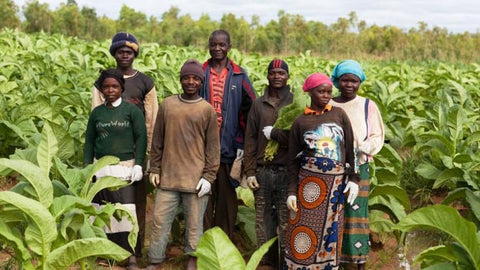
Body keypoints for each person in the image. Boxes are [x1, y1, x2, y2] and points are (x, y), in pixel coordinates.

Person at [146, 60, 220, 270]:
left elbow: (213, 148)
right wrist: (155, 168)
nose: (190, 81)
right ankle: (155, 260)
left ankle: (193, 260)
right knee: (159, 222)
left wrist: (208, 177)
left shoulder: (206, 110)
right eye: (186, 77)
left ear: (201, 82)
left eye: (195, 78)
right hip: (168, 179)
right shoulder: (168, 105)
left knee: (195, 226)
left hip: (195, 181)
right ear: (180, 80)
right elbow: (157, 140)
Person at [91, 32, 158, 254]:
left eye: (129, 52)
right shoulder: (102, 81)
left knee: (134, 202)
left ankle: (133, 250)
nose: (125, 55)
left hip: (134, 154)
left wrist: (148, 156)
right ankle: (108, 248)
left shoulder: (145, 82)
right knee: (105, 200)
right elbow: (96, 116)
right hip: (107, 154)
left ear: (135, 54)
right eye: (120, 52)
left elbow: (152, 119)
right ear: (114, 53)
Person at [284, 73, 359, 270]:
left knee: (330, 232)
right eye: (321, 92)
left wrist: (354, 179)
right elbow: (292, 161)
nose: (326, 95)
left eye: (328, 92)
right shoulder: (300, 122)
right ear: (309, 92)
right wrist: (292, 191)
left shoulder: (339, 115)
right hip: (308, 187)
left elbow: (351, 148)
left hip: (335, 187)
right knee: (302, 230)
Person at [84, 69, 147, 270]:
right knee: (101, 212)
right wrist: (88, 168)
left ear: (122, 88)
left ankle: (131, 257)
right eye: (106, 87)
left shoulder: (132, 111)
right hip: (101, 167)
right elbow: (89, 142)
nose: (110, 90)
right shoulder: (97, 113)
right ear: (101, 90)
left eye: (114, 86)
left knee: (126, 212)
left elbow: (141, 138)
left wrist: (138, 164)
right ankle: (105, 255)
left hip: (124, 168)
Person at [200, 29, 256, 240]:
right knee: (202, 195)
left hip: (228, 147)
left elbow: (251, 107)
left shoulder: (239, 75)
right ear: (209, 46)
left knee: (226, 197)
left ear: (229, 47)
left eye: (222, 45)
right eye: (213, 44)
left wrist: (241, 139)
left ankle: (223, 241)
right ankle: (202, 243)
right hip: (202, 147)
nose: (217, 48)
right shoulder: (200, 72)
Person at [329, 60, 385, 270]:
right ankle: (333, 259)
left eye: (354, 81)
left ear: (360, 82)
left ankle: (357, 260)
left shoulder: (367, 105)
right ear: (337, 81)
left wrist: (363, 147)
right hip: (333, 167)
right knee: (333, 211)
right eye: (345, 80)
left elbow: (377, 135)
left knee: (356, 212)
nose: (349, 85)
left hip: (359, 166)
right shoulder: (329, 103)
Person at [243, 59, 292, 270]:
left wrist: (277, 135)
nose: (277, 77)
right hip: (263, 170)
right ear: (267, 76)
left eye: (281, 73)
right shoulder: (258, 103)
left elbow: (298, 137)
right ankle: (266, 262)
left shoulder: (295, 102)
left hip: (286, 171)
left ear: (288, 76)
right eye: (273, 73)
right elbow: (251, 138)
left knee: (286, 220)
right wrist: (250, 171)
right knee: (263, 221)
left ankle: (286, 262)